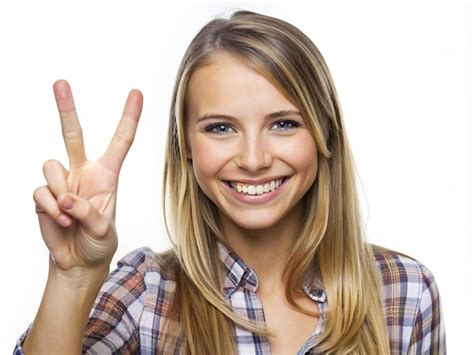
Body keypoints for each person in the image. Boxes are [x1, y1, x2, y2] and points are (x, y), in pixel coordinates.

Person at [14, 9, 445, 355]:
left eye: (283, 123)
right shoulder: (147, 296)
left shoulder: (404, 292)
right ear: (184, 144)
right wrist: (74, 276)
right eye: (221, 128)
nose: (254, 160)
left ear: (324, 134)